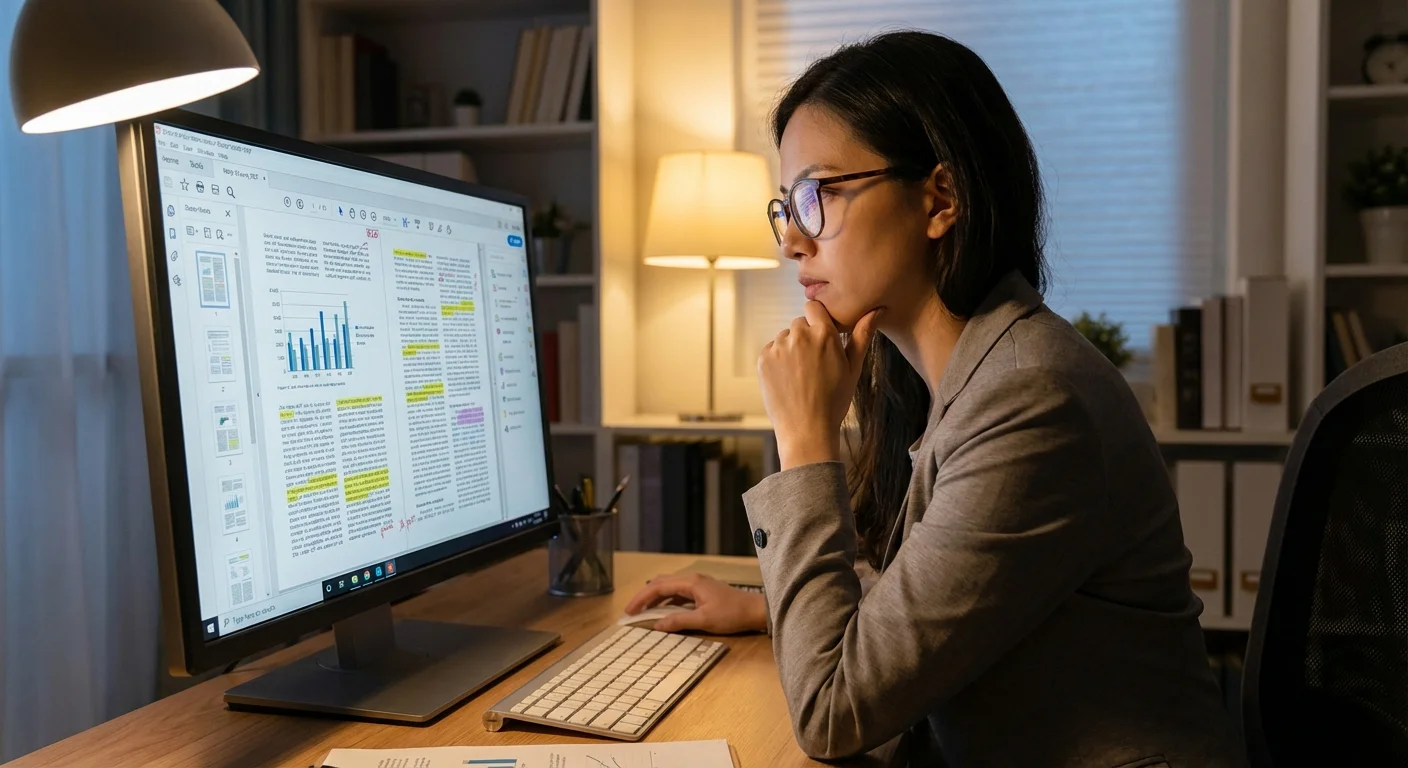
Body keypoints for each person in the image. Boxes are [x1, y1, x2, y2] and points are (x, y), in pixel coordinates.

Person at [624, 30, 1246, 767]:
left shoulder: (1030, 398)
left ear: (939, 199)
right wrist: (766, 608)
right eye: (784, 205)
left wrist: (806, 442)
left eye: (816, 194)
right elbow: (919, 601)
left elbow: (832, 714)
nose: (791, 239)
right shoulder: (965, 377)